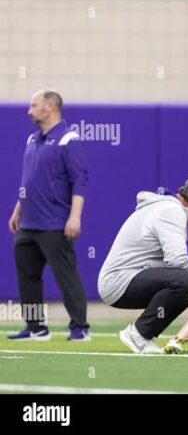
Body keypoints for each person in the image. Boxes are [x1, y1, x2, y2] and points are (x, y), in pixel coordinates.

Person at [98, 175, 188, 354]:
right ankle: (138, 334)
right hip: (118, 282)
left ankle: (145, 335)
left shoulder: (168, 208)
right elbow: (177, 259)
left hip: (126, 277)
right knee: (187, 282)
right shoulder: (172, 211)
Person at [8, 90, 90, 342]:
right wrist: (17, 210)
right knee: (28, 276)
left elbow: (80, 181)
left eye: (34, 106)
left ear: (50, 107)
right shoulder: (32, 140)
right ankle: (36, 328)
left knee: (66, 274)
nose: (29, 111)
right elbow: (29, 180)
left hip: (55, 223)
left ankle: (79, 328)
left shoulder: (69, 139)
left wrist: (74, 217)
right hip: (29, 224)